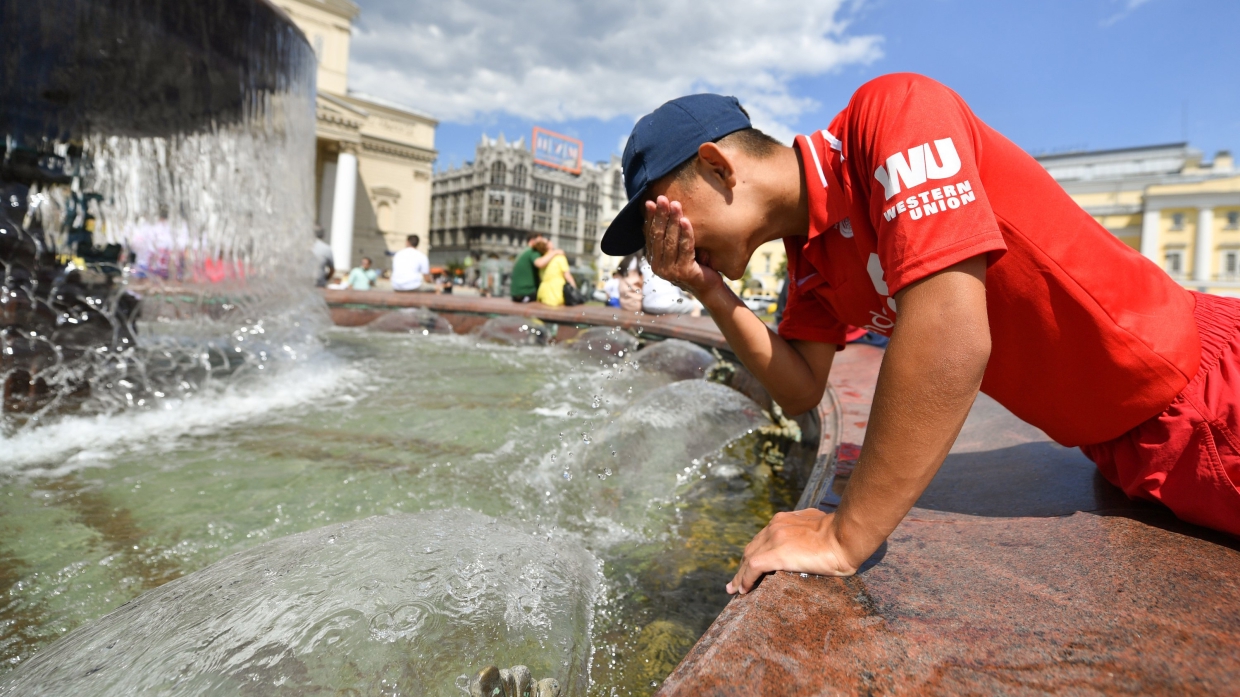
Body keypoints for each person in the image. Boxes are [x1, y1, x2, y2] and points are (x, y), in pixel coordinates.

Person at [599, 79, 1237, 595]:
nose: (661, 244)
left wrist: (844, 534)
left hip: (1207, 393)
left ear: (716, 164)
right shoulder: (810, 256)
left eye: (658, 212)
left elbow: (951, 335)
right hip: (1119, 442)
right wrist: (710, 289)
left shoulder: (893, 114)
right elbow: (799, 391)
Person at [510, 232, 560, 302]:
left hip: (516, 294)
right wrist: (555, 252)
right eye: (540, 240)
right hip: (526, 293)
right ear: (532, 241)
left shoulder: (525, 251)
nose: (543, 243)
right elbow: (540, 263)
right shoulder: (533, 251)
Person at [534, 240, 576, 306]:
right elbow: (567, 276)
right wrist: (574, 289)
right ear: (548, 245)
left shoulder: (542, 258)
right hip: (557, 291)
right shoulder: (559, 258)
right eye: (548, 240)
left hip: (543, 291)